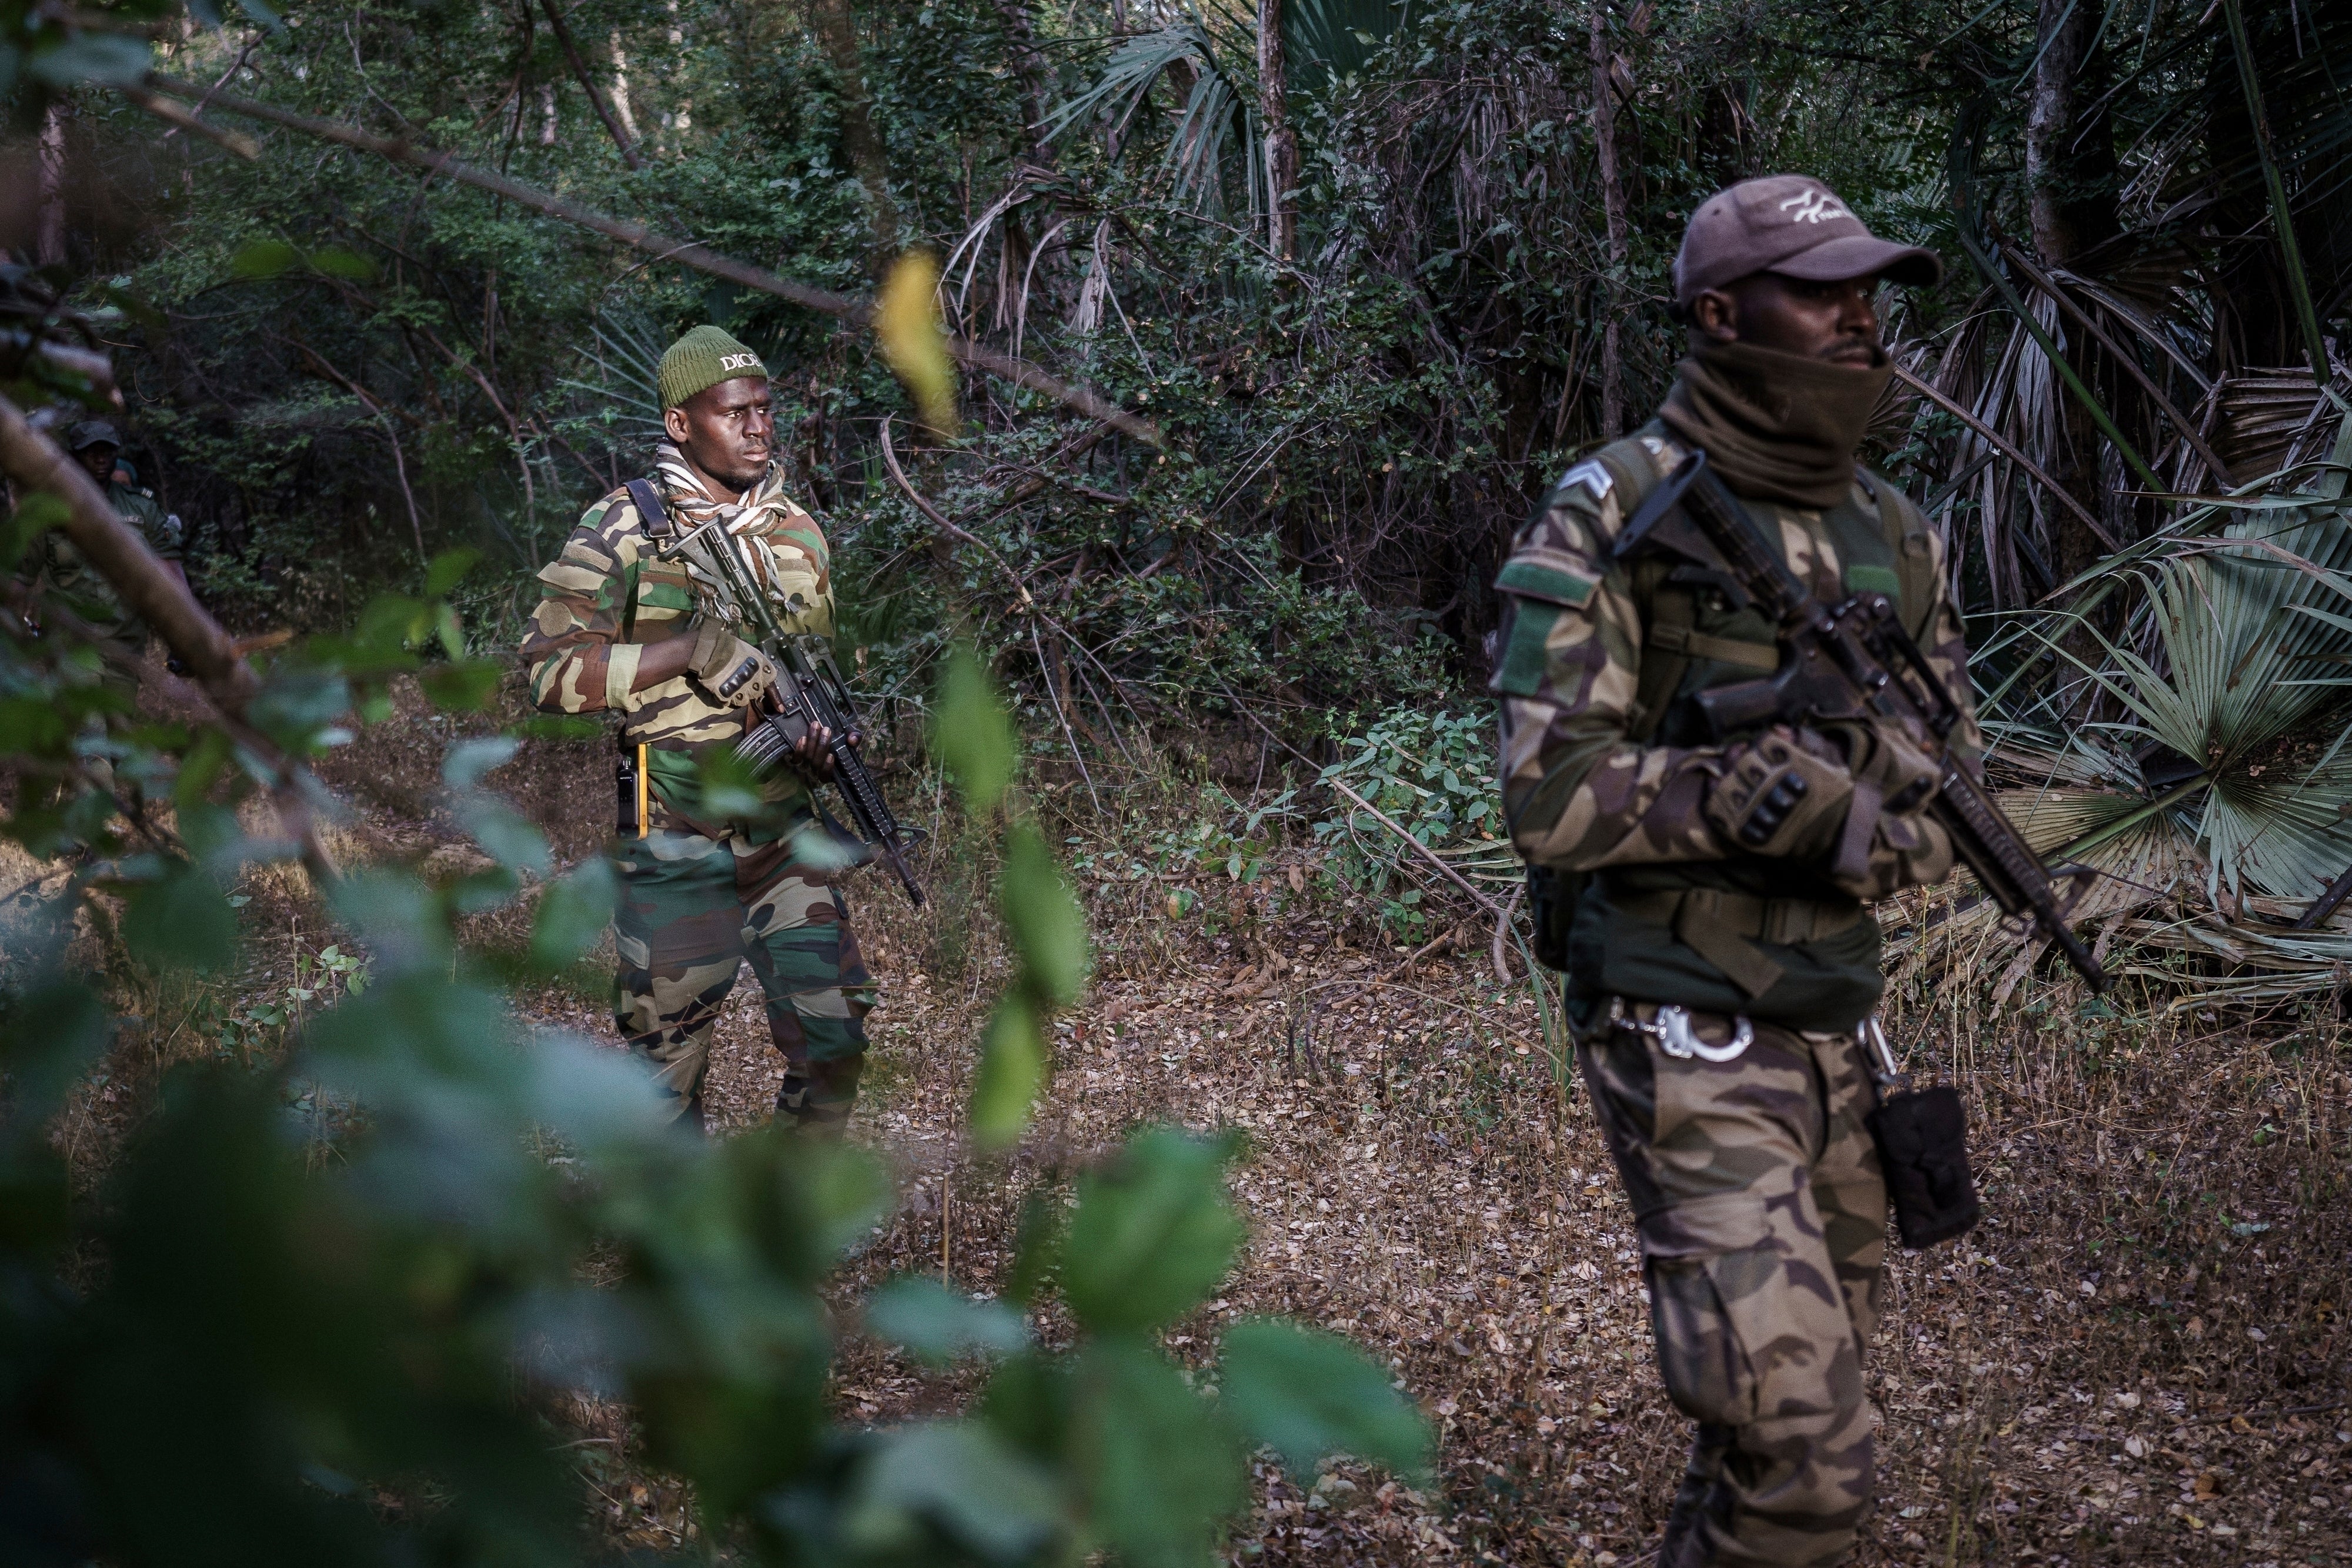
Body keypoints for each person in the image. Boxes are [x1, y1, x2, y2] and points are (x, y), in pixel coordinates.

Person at [1492, 176, 1978, 1567]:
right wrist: (1748, 801)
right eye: (1819, 292)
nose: (1857, 317)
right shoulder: (1611, 508)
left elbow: (1952, 798)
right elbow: (1546, 796)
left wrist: (1865, 821)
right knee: (1807, 1459)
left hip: (1834, 1025)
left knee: (1768, 1446)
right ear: (1719, 314)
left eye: (1865, 290)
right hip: (1680, 1021)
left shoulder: (1891, 528)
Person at [520, 326, 874, 1134]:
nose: (758, 428)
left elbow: (805, 683)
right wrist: (687, 649)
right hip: (672, 832)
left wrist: (820, 744)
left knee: (836, 1039)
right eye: (733, 412)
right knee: (663, 1077)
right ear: (681, 424)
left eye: (765, 409)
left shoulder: (796, 535)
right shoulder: (622, 527)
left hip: (783, 827)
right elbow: (546, 672)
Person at [35, 419, 189, 671]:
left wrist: (184, 642)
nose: (101, 460)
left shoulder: (142, 508)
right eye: (92, 452)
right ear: (75, 456)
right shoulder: (48, 510)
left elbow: (173, 579)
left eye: (107, 452)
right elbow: (18, 578)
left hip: (124, 643)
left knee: (119, 696)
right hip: (69, 641)